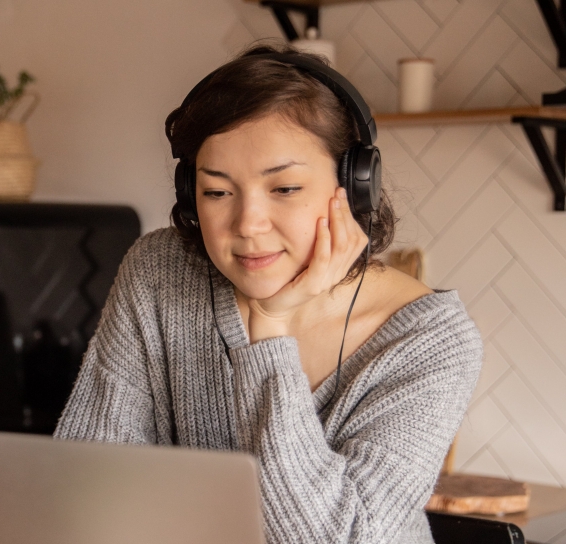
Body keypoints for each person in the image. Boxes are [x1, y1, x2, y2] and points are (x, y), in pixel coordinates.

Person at [54, 44, 483, 544]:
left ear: (354, 185)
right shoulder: (160, 272)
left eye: (284, 189)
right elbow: (86, 490)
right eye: (217, 191)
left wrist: (270, 335)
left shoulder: (432, 342)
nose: (248, 225)